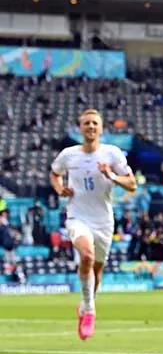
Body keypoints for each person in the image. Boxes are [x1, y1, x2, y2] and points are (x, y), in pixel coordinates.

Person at [49, 109, 137, 340]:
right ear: (80, 128)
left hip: (103, 221)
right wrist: (60, 189)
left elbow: (132, 184)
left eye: (94, 123)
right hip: (78, 216)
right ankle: (89, 311)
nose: (90, 127)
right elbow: (54, 173)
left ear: (101, 128)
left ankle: (85, 304)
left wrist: (112, 176)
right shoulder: (69, 155)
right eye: (86, 123)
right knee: (86, 256)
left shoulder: (112, 154)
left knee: (97, 272)